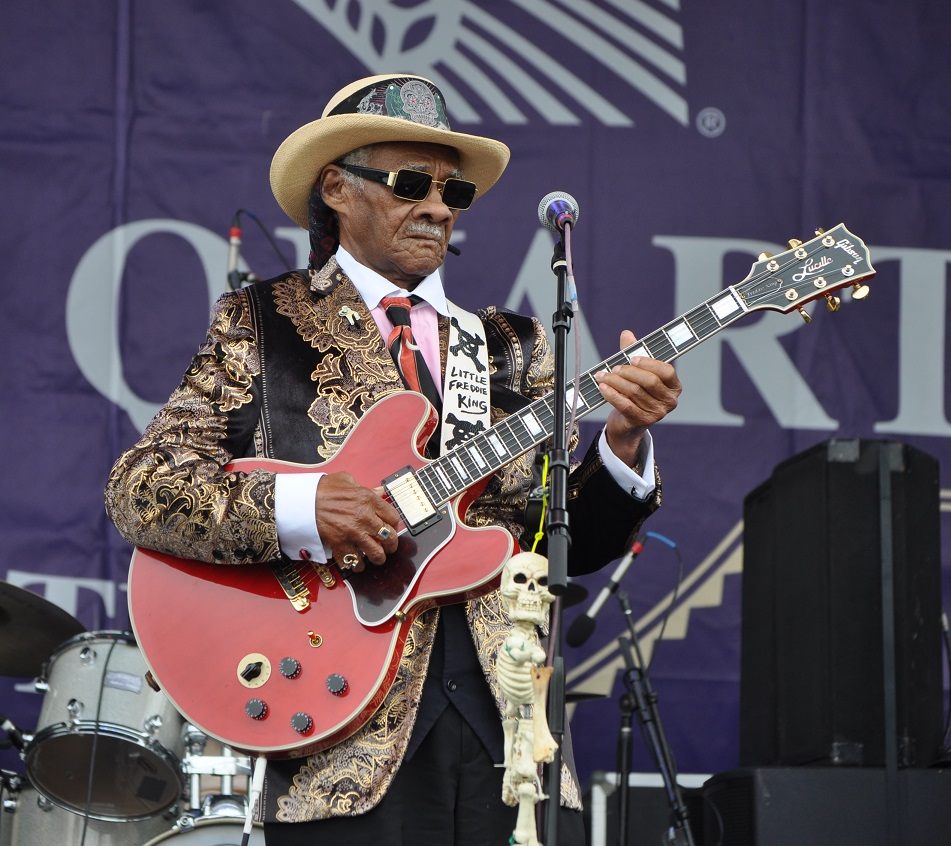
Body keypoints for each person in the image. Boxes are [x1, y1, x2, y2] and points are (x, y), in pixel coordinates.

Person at [105, 73, 682, 845]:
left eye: (453, 191)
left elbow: (559, 542)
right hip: (336, 724)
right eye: (412, 183)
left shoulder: (514, 345)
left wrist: (622, 443)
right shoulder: (262, 322)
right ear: (337, 188)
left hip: (508, 734)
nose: (439, 207)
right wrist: (306, 511)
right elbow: (140, 488)